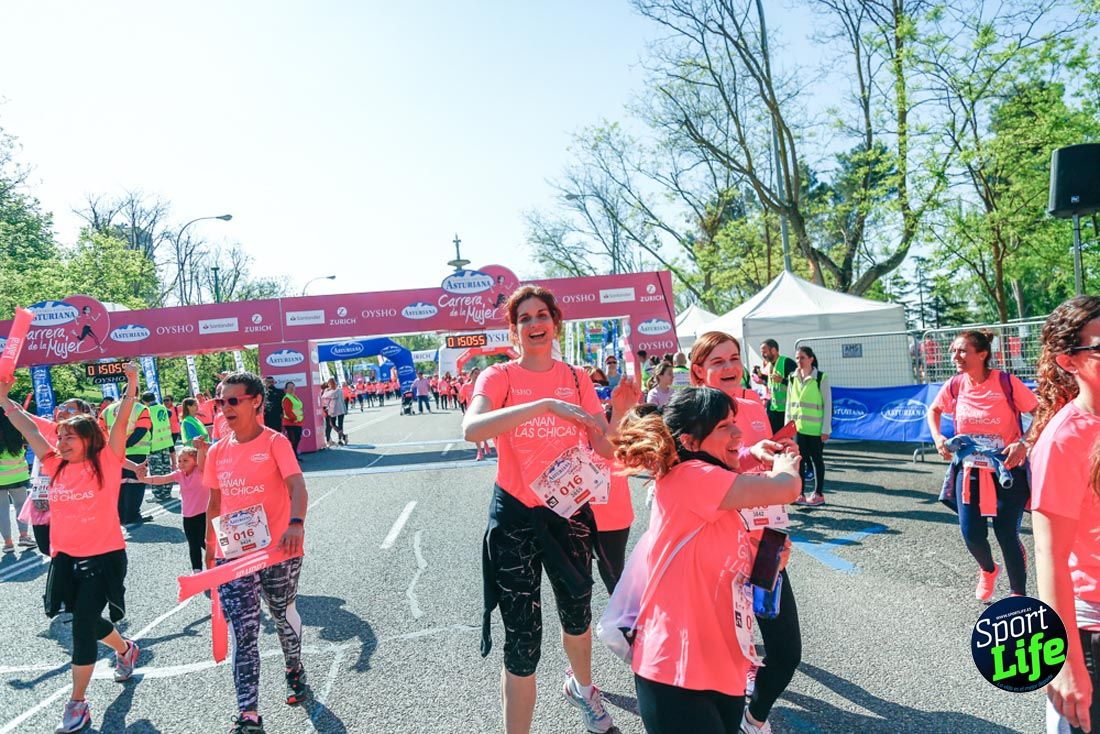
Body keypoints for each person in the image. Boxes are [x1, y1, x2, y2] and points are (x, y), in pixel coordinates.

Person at [463, 285, 640, 734]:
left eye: (542, 315)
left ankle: (584, 689)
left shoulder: (579, 378)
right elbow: (472, 428)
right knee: (522, 641)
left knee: (577, 615)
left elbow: (602, 445)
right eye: (524, 318)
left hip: (569, 514)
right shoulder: (497, 376)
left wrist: (617, 414)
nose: (535, 324)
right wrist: (540, 404)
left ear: (555, 323)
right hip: (515, 519)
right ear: (514, 329)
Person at [613, 387, 801, 734]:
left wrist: (769, 560)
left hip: (723, 669)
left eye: (735, 422)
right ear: (690, 440)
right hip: (676, 669)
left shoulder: (707, 481)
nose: (739, 433)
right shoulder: (691, 477)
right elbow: (786, 488)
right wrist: (788, 466)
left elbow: (738, 573)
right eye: (725, 427)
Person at [0, 363, 141, 733]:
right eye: (59, 439)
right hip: (65, 559)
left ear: (88, 440)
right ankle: (125, 650)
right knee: (87, 620)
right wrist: (3, 400)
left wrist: (132, 384)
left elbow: (123, 422)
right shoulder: (54, 465)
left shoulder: (107, 463)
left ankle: (77, 703)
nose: (59, 444)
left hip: (104, 557)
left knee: (81, 627)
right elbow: (29, 429)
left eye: (68, 439)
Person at [689, 331, 802, 734]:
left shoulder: (754, 403)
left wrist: (783, 456)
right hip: (716, 552)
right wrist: (749, 456)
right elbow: (692, 481)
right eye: (717, 362)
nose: (729, 367)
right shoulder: (691, 413)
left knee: (787, 653)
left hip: (766, 546)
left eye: (733, 358)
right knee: (724, 658)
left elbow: (766, 466)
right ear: (699, 371)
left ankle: (754, 719)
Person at [204, 371, 310, 734]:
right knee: (245, 632)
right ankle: (248, 714)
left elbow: (297, 486)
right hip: (234, 555)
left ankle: (294, 667)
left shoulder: (275, 443)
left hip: (280, 549)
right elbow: (214, 502)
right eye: (221, 401)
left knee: (281, 614)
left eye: (233, 401)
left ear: (256, 403)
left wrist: (296, 522)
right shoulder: (216, 451)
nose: (225, 408)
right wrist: (210, 554)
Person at [1029, 296, 1100, 734]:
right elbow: (1048, 557)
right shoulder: (1063, 439)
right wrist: (1066, 664)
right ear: (1068, 362)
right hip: (1091, 630)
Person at [926, 330, 1036, 601]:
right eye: (953, 351)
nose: (955, 357)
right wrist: (938, 437)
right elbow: (934, 410)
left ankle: (1017, 595)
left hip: (1007, 470)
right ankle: (988, 569)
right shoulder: (955, 384)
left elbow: (1039, 411)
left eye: (962, 351)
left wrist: (1024, 441)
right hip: (970, 471)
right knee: (971, 534)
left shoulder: (1007, 382)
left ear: (982, 354)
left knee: (1006, 534)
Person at [139, 441, 209, 574]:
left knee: (203, 541)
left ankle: (219, 560)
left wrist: (200, 448)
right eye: (179, 461)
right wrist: (145, 479)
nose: (181, 463)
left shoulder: (200, 471)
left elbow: (202, 460)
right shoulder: (179, 474)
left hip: (203, 514)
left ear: (195, 461)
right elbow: (162, 479)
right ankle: (197, 570)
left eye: (185, 461)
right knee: (193, 544)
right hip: (187, 516)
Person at [786, 346, 833, 508]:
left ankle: (818, 494)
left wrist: (825, 429)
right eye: (797, 358)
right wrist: (788, 427)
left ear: (811, 359)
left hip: (815, 429)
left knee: (816, 461)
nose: (799, 361)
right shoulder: (792, 377)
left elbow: (827, 405)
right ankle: (800, 493)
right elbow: (789, 404)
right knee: (800, 461)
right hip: (798, 428)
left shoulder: (821, 377)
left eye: (802, 358)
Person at [103, 391, 153, 524]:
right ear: (136, 393)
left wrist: (114, 446)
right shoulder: (140, 408)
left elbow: (101, 430)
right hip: (136, 451)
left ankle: (121, 516)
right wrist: (125, 444)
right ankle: (133, 516)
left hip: (114, 453)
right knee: (136, 483)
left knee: (119, 483)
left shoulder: (107, 410)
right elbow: (142, 429)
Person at [0, 411, 33, 552]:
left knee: (2, 511)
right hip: (19, 477)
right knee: (21, 506)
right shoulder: (17, 437)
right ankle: (24, 536)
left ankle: (8, 543)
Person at [758, 340, 796, 435]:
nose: (763, 355)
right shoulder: (770, 365)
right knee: (774, 437)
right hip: (773, 408)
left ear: (774, 350)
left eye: (764, 351)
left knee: (786, 438)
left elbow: (797, 383)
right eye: (761, 352)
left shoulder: (787, 362)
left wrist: (782, 380)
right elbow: (772, 383)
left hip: (786, 411)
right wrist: (761, 376)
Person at [143, 393, 176, 500]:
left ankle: (158, 495)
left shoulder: (147, 410)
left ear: (145, 401)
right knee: (166, 469)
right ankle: (167, 492)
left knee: (156, 471)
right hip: (166, 443)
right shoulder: (163, 408)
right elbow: (170, 414)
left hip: (154, 445)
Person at [320, 378, 348, 446]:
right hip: (333, 410)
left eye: (330, 383)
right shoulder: (336, 390)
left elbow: (325, 396)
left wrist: (327, 391)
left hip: (335, 410)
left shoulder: (336, 390)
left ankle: (340, 439)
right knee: (333, 424)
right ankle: (342, 437)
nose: (329, 385)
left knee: (335, 424)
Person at [282, 382, 304, 456]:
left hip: (298, 422)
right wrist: (294, 419)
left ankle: (294, 454)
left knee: (297, 439)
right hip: (290, 422)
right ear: (286, 389)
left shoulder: (294, 397)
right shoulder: (287, 398)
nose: (292, 389)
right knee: (293, 440)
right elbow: (288, 411)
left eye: (293, 387)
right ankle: (292, 455)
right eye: (290, 387)